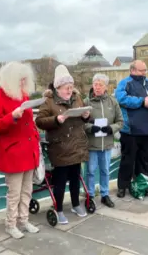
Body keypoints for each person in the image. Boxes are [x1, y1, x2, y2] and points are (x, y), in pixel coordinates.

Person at [0, 61, 40, 239]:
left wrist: (36, 140)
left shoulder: (23, 95)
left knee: (27, 190)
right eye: (20, 80)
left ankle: (24, 220)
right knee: (14, 193)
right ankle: (11, 224)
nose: (23, 83)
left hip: (28, 149)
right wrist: (12, 116)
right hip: (13, 152)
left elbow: (29, 123)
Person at [35, 64, 90, 225]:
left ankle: (75, 204)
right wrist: (56, 120)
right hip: (60, 148)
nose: (69, 90)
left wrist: (86, 115)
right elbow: (39, 121)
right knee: (60, 181)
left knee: (75, 178)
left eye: (71, 87)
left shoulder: (77, 98)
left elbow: (83, 118)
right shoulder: (49, 101)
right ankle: (58, 209)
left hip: (77, 145)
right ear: (58, 87)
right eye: (67, 87)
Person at [114, 60, 148, 198]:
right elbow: (121, 99)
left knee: (144, 160)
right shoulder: (124, 83)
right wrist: (142, 102)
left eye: (145, 70)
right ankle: (123, 186)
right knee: (127, 159)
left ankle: (140, 185)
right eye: (141, 70)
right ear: (132, 70)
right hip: (131, 130)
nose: (144, 73)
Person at [84, 73, 123, 208]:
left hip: (106, 144)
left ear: (106, 87)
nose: (97, 87)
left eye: (100, 85)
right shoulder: (86, 102)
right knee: (90, 171)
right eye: (95, 84)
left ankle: (105, 194)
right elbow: (80, 123)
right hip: (91, 144)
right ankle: (89, 195)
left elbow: (120, 121)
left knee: (105, 170)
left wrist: (111, 128)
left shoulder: (113, 102)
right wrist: (91, 127)